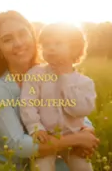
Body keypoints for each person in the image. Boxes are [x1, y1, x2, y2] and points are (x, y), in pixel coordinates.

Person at [0, 12, 99, 169]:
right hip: (10, 164)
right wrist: (77, 139)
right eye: (7, 40)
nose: (18, 43)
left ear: (33, 37)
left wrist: (87, 130)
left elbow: (72, 110)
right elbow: (18, 145)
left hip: (52, 152)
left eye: (23, 34)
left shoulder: (52, 72)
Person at [19, 23, 97, 171]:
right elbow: (28, 103)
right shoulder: (35, 74)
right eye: (46, 44)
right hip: (46, 138)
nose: (51, 48)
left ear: (74, 48)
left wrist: (64, 79)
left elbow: (80, 110)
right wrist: (35, 128)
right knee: (41, 167)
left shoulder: (85, 83)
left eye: (58, 43)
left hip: (73, 140)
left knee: (84, 168)